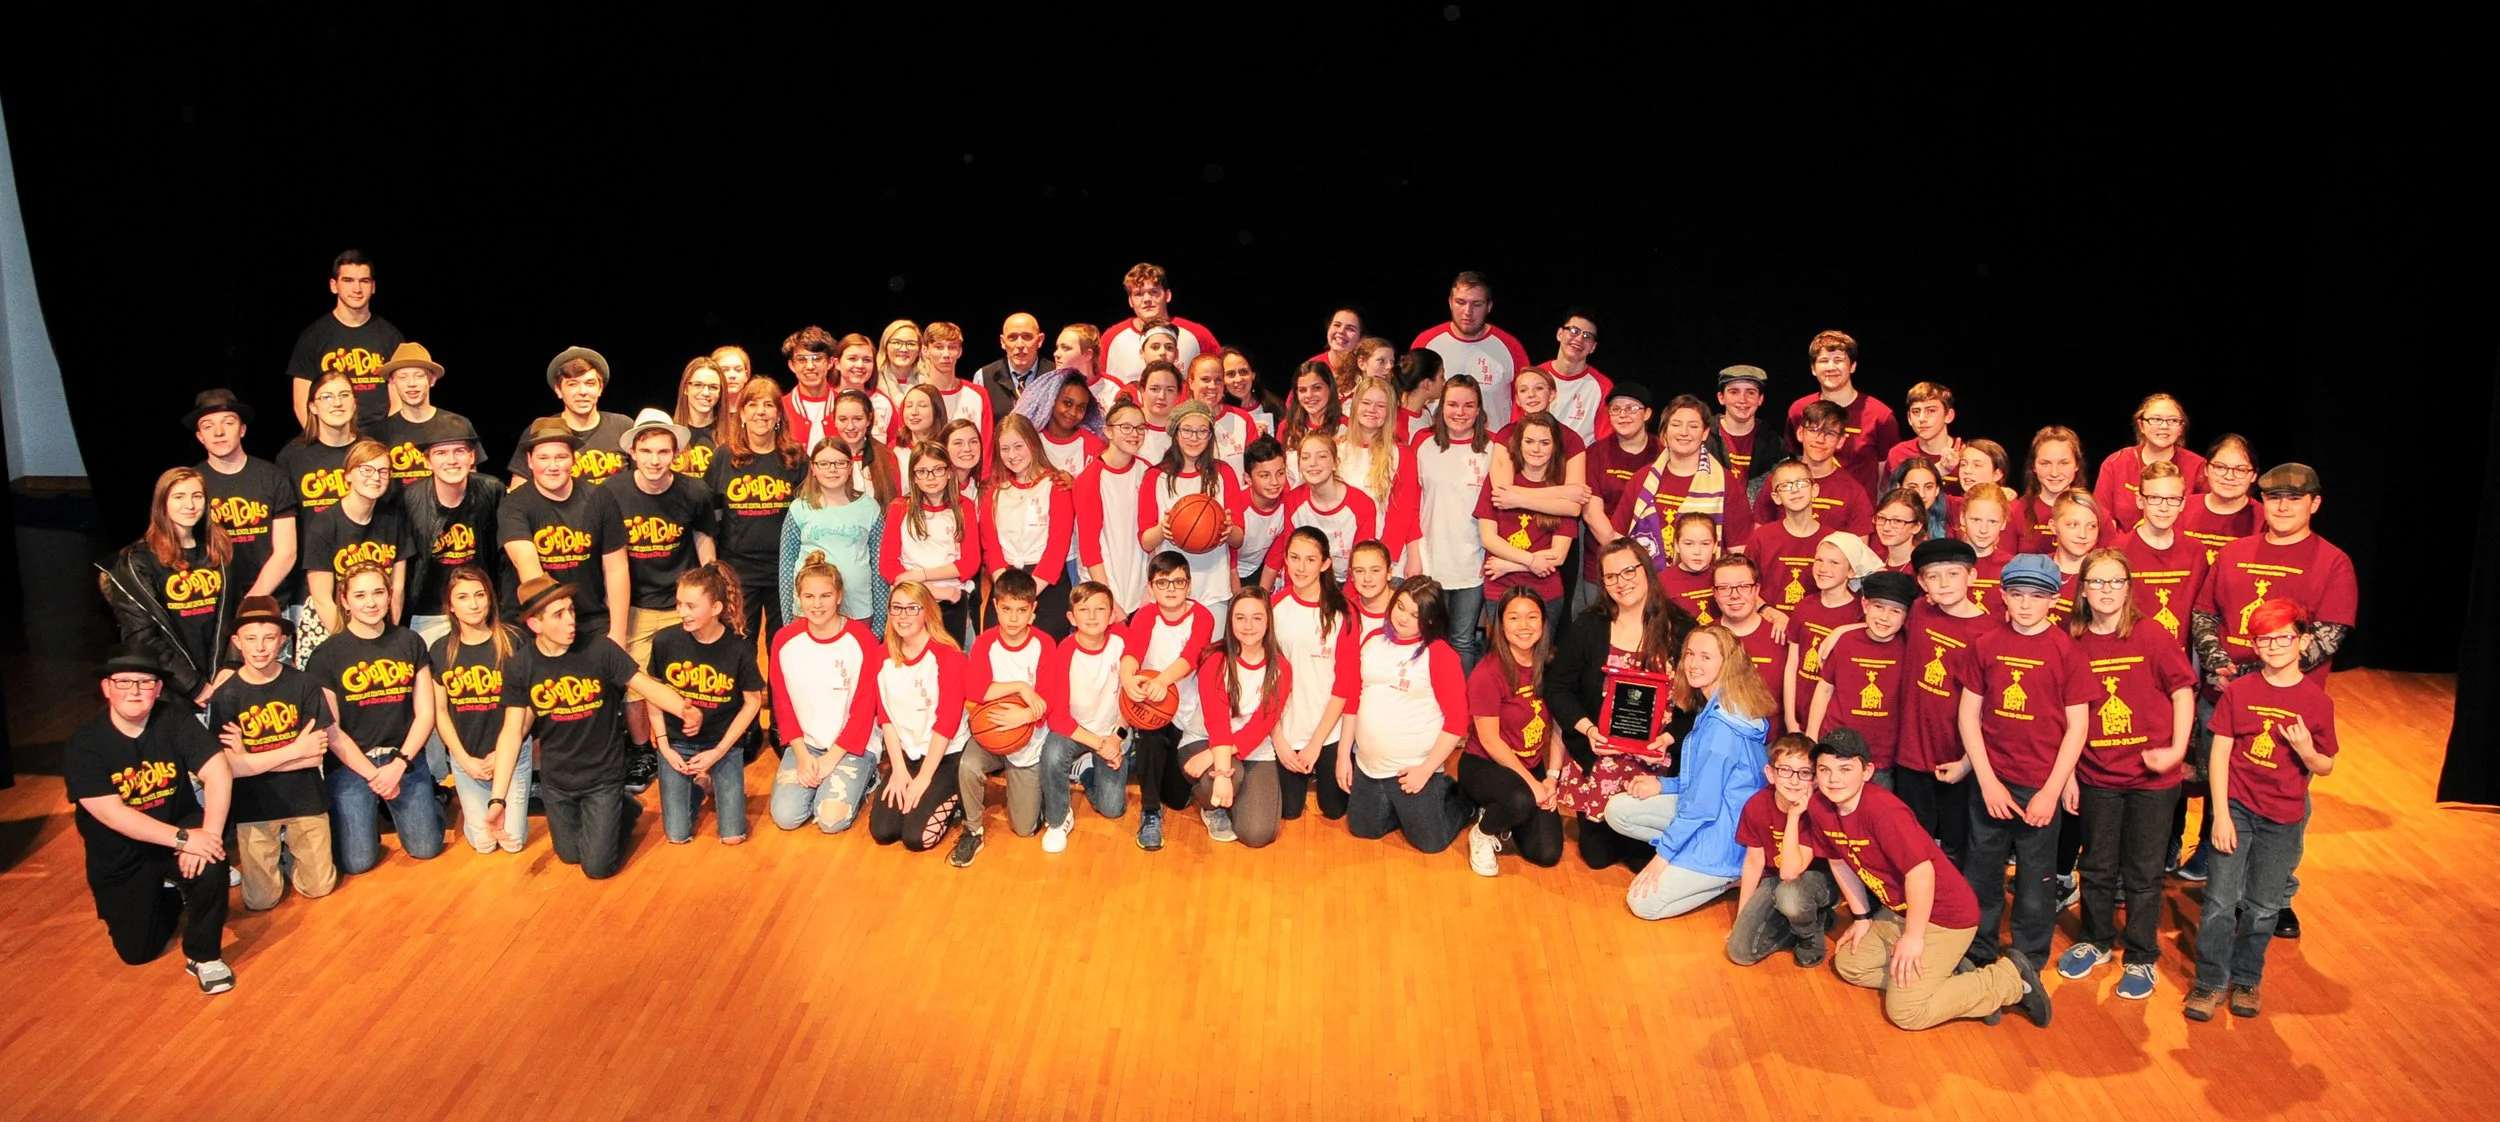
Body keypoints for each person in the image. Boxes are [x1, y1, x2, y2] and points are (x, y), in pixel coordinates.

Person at [2182, 463, 2354, 936]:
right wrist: (2217, 660)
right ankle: (2229, 891)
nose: (2282, 506)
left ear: (2314, 503)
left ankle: (2276, 896)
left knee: (2285, 804)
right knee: (2228, 796)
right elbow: (2204, 613)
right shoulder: (2235, 552)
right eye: (2274, 497)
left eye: (2294, 498)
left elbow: (2328, 635)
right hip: (2223, 695)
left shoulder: (2333, 562)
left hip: (2288, 709)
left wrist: (2253, 678)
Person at [1807, 734, 2052, 1029]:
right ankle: (1947, 983)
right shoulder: (1819, 806)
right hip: (1900, 911)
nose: (1833, 779)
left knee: (1906, 1012)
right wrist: (1861, 917)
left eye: (1845, 769)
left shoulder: (1885, 812)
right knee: (1849, 964)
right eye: (1824, 769)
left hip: (1946, 916)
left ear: (1867, 772)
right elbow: (1838, 859)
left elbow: (1921, 874)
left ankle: (2009, 979)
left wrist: (1913, 937)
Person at [2187, 598, 2339, 1022]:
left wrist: (2305, 750)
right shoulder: (2239, 691)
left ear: (2302, 641)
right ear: (2254, 645)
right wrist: (2220, 815)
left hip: (2283, 818)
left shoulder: (2316, 702)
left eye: (2283, 638)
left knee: (2264, 906)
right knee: (2219, 901)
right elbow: (2219, 754)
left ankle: (2247, 978)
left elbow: (2325, 766)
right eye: (2264, 640)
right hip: (2236, 808)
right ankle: (2210, 980)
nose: (2274, 647)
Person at [489, 577, 699, 879]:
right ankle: (617, 810)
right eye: (559, 614)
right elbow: (511, 732)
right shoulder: (521, 666)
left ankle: (622, 809)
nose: (570, 620)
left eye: (571, 610)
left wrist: (682, 708)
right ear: (535, 624)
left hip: (603, 777)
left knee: (597, 868)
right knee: (569, 855)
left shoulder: (600, 650)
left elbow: (646, 685)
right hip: (558, 782)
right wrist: (498, 799)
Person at [2056, 549, 2195, 999]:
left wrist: (2176, 750)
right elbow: (2064, 714)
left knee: (2143, 871)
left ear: (2129, 588)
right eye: (2097, 582)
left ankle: (2140, 955)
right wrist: (2069, 776)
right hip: (2097, 774)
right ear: (2082, 589)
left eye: (2116, 581)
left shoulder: (2151, 635)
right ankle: (2096, 940)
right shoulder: (2071, 640)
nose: (2106, 590)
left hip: (2152, 781)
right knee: (2096, 865)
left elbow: (2183, 693)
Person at [1954, 554, 2095, 972]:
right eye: (2017, 595)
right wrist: (1987, 782)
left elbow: (2077, 727)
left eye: (2037, 596)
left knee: (2036, 879)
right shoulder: (1986, 645)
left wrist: (2051, 791)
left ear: (2054, 600)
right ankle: (1978, 950)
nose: (2026, 604)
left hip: (2039, 785)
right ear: (2003, 596)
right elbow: (1968, 716)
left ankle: (2028, 959)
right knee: (1982, 872)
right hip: (1991, 781)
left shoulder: (2066, 652)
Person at [66, 649, 237, 993]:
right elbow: (113, 815)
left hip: (179, 832)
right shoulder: (85, 744)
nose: (134, 690)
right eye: (124, 682)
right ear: (106, 688)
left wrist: (208, 835)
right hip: (122, 852)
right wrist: (184, 839)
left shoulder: (173, 718)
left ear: (158, 689)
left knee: (211, 863)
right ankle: (169, 893)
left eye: (145, 682)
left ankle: (203, 956)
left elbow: (218, 771)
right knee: (138, 952)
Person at [1607, 625, 1774, 919]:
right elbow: (1703, 784)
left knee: (1642, 903)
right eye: (1690, 654)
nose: (1694, 664)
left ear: (1727, 663)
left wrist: (1662, 858)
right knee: (1618, 810)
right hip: (1715, 814)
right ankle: (1688, 858)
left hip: (1725, 835)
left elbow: (1701, 807)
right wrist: (1664, 785)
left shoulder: (1722, 728)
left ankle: (1729, 876)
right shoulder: (1720, 705)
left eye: (1706, 657)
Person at [1549, 538, 1695, 870]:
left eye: (1629, 571)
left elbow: (1700, 702)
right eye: (1611, 576)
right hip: (1601, 760)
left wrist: (1668, 738)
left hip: (1656, 763)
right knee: (1597, 858)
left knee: (1639, 858)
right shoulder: (1590, 625)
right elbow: (1558, 688)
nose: (1622, 582)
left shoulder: (1681, 628)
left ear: (1647, 570)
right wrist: (1589, 731)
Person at [306, 561, 441, 875]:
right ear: (344, 601)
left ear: (390, 594)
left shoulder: (410, 641)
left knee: (426, 849)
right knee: (356, 863)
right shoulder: (326, 655)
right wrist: (374, 776)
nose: (371, 603)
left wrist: (398, 765)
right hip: (352, 764)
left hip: (403, 759)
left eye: (378, 593)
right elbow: (332, 730)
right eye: (360, 595)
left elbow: (426, 713)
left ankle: (429, 800)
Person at [206, 596, 337, 910]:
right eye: (251, 639)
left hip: (305, 798)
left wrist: (249, 760)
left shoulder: (304, 684)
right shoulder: (226, 696)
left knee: (319, 887)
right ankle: (276, 856)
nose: (260, 647)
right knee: (260, 901)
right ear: (237, 642)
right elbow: (229, 768)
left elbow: (315, 756)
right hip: (254, 805)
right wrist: (295, 750)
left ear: (282, 640)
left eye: (269, 638)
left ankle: (289, 856)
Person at [1335, 577, 1474, 853]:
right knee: (1363, 829)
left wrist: (1425, 770)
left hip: (1413, 768)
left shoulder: (1440, 655)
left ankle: (1458, 798)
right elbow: (1353, 701)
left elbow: (1458, 723)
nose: (1403, 618)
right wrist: (1343, 756)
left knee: (1431, 843)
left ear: (1430, 619)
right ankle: (1407, 808)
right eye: (1400, 606)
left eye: (1415, 614)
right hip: (1368, 765)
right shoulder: (1373, 640)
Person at [609, 411, 720, 739]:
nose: (654, 460)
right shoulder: (612, 492)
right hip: (636, 605)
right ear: (632, 452)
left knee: (692, 676)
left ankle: (692, 740)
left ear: (676, 453)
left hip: (681, 603)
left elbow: (704, 539)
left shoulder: (695, 492)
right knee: (635, 685)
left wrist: (710, 594)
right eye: (646, 451)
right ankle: (642, 749)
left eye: (663, 451)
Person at [1893, 539, 2001, 864]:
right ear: (1922, 583)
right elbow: (1879, 620)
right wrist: (1840, 631)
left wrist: (1967, 762)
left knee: (1956, 846)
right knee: (1914, 843)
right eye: (1933, 576)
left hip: (1957, 758)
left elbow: (1989, 710)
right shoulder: (1919, 611)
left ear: (1972, 577)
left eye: (1953, 574)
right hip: (1911, 754)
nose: (1943, 583)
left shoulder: (1989, 633)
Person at [99, 467, 236, 709]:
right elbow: (142, 636)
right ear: (162, 503)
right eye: (179, 497)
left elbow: (235, 615)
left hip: (221, 682)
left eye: (197, 496)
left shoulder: (218, 550)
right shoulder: (136, 561)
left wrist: (230, 665)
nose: (190, 505)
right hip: (172, 692)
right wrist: (195, 686)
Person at [766, 554, 884, 833]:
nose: (817, 604)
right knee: (786, 817)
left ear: (839, 596)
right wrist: (802, 756)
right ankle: (820, 782)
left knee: (831, 821)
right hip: (806, 745)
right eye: (809, 596)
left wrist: (831, 760)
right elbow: (782, 704)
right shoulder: (784, 640)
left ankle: (866, 776)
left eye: (825, 596)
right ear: (799, 598)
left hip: (852, 745)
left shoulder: (863, 641)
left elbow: (865, 709)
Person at [647, 563, 763, 846]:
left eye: (690, 606)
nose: (681, 612)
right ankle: (701, 785)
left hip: (721, 744)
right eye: (679, 604)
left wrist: (719, 751)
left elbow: (753, 702)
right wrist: (663, 745)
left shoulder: (738, 648)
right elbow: (652, 693)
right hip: (677, 744)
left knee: (733, 836)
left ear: (715, 608)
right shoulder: (665, 641)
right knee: (677, 835)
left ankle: (709, 779)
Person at [1390, 375, 1495, 672]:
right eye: (1452, 404)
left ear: (1479, 410)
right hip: (1430, 559)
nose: (1459, 412)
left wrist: (1491, 555)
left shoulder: (1493, 447)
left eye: (1468, 405)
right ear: (1441, 407)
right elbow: (1411, 504)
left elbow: (1497, 509)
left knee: (1462, 641)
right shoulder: (1423, 443)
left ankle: (1459, 700)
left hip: (1471, 563)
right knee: (1428, 637)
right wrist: (1413, 553)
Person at [1458, 586, 1567, 874]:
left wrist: (1551, 778)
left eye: (1532, 617)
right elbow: (1490, 741)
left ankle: (1503, 810)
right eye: (1514, 618)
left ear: (1543, 622)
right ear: (1500, 624)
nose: (1524, 626)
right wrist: (1532, 785)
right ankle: (1482, 832)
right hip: (1485, 764)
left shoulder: (1552, 665)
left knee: (1547, 853)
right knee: (1521, 799)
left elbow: (1559, 724)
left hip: (1531, 763)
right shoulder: (1487, 673)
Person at [951, 569, 1056, 865]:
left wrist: (1024, 717)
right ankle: (973, 829)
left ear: (1033, 611)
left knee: (1024, 829)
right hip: (993, 730)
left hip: (1028, 735)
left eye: (1021, 610)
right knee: (968, 765)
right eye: (1007, 609)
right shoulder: (986, 642)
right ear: (995, 607)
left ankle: (1038, 793)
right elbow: (975, 690)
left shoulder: (1044, 644)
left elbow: (1048, 700)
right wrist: (1021, 687)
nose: (1013, 618)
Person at [428, 566, 533, 855]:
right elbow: (439, 711)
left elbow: (531, 706)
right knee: (484, 844)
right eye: (463, 597)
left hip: (511, 754)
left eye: (479, 595)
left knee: (512, 841)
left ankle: (501, 807)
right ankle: (474, 811)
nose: (473, 604)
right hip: (467, 757)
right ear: (451, 606)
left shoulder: (514, 641)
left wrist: (503, 752)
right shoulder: (440, 649)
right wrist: (462, 759)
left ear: (490, 598)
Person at [498, 419, 628, 647]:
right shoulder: (514, 504)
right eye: (543, 458)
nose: (553, 466)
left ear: (574, 459)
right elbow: (526, 563)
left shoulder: (600, 498)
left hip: (590, 622)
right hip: (534, 624)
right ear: (529, 461)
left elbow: (616, 568)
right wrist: (555, 625)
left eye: (561, 457)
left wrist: (617, 634)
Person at [1119, 552, 1218, 851]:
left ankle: (1149, 767)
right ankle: (1150, 812)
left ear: (1189, 585)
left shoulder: (1203, 616)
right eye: (1163, 582)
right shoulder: (1145, 615)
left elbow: (1190, 657)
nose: (1171, 588)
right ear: (1150, 588)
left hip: (1188, 713)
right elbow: (1132, 652)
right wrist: (1127, 678)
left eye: (1178, 581)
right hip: (1154, 709)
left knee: (1176, 798)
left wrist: (1163, 680)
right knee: (1149, 738)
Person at [1183, 587, 1293, 847]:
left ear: (1268, 621)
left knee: (1258, 834)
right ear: (1230, 621)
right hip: (1204, 739)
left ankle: (1233, 796)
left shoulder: (1281, 668)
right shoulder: (1215, 659)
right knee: (1227, 781)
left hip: (1252, 748)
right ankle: (1213, 807)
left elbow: (1261, 726)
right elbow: (1217, 722)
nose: (1248, 626)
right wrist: (1222, 772)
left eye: (1256, 618)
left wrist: (1212, 757)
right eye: (1240, 618)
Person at [868, 581, 973, 854]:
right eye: (896, 608)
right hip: (907, 755)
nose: (903, 616)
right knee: (883, 832)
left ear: (927, 611)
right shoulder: (881, 657)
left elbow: (947, 724)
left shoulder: (949, 657)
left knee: (916, 838)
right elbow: (886, 718)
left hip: (945, 754)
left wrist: (925, 777)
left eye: (912, 608)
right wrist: (899, 770)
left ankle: (955, 794)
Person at [709, 378, 810, 645]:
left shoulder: (796, 457)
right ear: (742, 413)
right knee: (738, 644)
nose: (761, 412)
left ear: (779, 415)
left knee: (783, 644)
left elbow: (810, 514)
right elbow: (711, 516)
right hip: (737, 570)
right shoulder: (723, 457)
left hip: (784, 568)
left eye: (768, 405)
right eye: (753, 405)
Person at [1035, 581, 1135, 852]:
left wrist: (1116, 738)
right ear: (1071, 617)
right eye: (1083, 609)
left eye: (1100, 609)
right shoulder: (1064, 652)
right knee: (1053, 754)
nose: (1092, 616)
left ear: (1112, 615)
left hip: (1113, 731)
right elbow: (1058, 718)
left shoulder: (1122, 643)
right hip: (1075, 730)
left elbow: (1131, 699)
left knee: (1112, 809)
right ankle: (1058, 819)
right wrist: (1100, 745)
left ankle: (1087, 772)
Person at [1726, 732, 1841, 966]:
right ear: (1771, 774)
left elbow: (1790, 871)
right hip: (1776, 879)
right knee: (1740, 952)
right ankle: (1803, 924)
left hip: (1816, 881)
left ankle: (1809, 934)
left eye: (1804, 773)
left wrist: (1794, 816)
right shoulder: (1757, 805)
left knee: (1790, 896)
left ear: (1814, 779)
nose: (1794, 781)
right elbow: (1754, 862)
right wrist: (1741, 917)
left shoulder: (1817, 810)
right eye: (1785, 770)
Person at [1268, 528, 1358, 824]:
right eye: (1294, 558)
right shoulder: (1274, 606)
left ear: (1325, 564)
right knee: (1289, 811)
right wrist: (1278, 739)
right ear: (1285, 559)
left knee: (1334, 810)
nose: (1301, 567)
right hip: (1286, 729)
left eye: (1310, 560)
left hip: (1327, 730)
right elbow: (1264, 678)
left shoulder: (1344, 611)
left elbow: (1344, 685)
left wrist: (1316, 743)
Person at [297, 440, 409, 664]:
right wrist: (350, 645)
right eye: (366, 470)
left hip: (378, 625)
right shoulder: (324, 524)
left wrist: (389, 638)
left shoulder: (393, 520)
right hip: (330, 627)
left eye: (383, 471)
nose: (375, 477)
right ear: (347, 474)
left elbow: (397, 589)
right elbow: (322, 599)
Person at [1616, 394, 1743, 591]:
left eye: (1693, 426)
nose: (1684, 433)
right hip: (1647, 590)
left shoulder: (1725, 482)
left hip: (1704, 592)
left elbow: (1738, 550)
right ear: (1664, 432)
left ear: (1705, 433)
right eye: (1676, 425)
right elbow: (1618, 539)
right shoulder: (1642, 479)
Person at [1804, 571, 1917, 783]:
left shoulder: (1909, 646)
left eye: (1895, 611)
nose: (1884, 617)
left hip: (1882, 756)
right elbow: (1824, 690)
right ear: (1865, 604)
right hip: (1834, 749)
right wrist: (1811, 737)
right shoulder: (1845, 641)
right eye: (1878, 607)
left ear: (1906, 616)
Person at [403, 418, 503, 651]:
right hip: (428, 614)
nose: (451, 460)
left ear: (472, 457)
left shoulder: (492, 491)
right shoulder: (409, 500)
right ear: (427, 461)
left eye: (459, 451)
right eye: (441, 453)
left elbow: (502, 560)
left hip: (480, 609)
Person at [190, 390, 299, 603]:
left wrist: (251, 602)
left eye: (228, 423)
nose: (219, 432)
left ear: (242, 429)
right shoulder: (192, 483)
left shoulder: (272, 476)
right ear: (200, 437)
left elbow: (286, 552)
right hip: (213, 604)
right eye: (208, 426)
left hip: (271, 601)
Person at [1138, 401, 1245, 611]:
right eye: (1187, 430)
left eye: (1202, 431)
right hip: (1169, 589)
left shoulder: (1224, 473)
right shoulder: (1155, 476)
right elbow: (1146, 542)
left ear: (1210, 436)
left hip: (1214, 588)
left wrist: (1228, 530)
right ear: (1176, 433)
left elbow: (1239, 539)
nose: (1194, 438)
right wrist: (1163, 530)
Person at [1477, 414, 1578, 627]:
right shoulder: (1499, 484)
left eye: (1545, 443)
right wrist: (1531, 562)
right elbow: (1488, 539)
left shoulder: (1563, 491)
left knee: (1540, 649)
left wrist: (1510, 565)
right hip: (1500, 588)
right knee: (1501, 647)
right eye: (1529, 441)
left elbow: (1558, 556)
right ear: (1518, 444)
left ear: (1555, 447)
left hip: (1545, 592)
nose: (1536, 449)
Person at [287, 249, 404, 429]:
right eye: (348, 281)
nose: (357, 289)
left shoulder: (391, 336)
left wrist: (386, 440)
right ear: (334, 285)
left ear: (373, 287)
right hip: (332, 437)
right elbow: (302, 403)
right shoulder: (313, 337)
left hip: (380, 439)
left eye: (364, 281)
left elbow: (399, 400)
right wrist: (323, 440)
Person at [982, 415, 1076, 636]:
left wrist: (1027, 596)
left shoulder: (1056, 485)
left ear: (1033, 443)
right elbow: (991, 547)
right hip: (1005, 585)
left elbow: (1057, 548)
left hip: (1045, 586)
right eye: (1005, 449)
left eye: (1018, 446)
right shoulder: (994, 490)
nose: (1012, 455)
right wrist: (1007, 595)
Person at [781, 438, 885, 633]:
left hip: (858, 609)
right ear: (813, 468)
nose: (832, 469)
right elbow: (786, 568)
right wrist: (788, 621)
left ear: (850, 467)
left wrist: (879, 625)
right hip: (809, 612)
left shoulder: (869, 508)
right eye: (824, 463)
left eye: (840, 463)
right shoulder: (799, 508)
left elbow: (879, 569)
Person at [884, 440, 982, 643]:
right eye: (922, 471)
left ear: (949, 472)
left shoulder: (964, 507)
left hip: (952, 600)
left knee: (950, 656)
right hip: (911, 600)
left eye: (937, 469)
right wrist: (935, 591)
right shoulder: (900, 507)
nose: (930, 477)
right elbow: (888, 566)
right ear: (914, 477)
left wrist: (922, 575)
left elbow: (970, 563)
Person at [1783, 330, 1899, 499]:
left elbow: (1887, 478)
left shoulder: (1880, 415)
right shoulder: (1799, 410)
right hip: (1809, 509)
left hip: (1860, 511)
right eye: (1824, 361)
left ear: (1853, 366)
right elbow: (1799, 462)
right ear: (1813, 368)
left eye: (1838, 360)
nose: (1831, 367)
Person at [1412, 270, 1530, 426]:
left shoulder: (1510, 347)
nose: (1468, 312)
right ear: (1450, 302)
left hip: (1494, 441)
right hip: (1434, 439)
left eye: (1477, 304)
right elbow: (1409, 400)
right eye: (1461, 302)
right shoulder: (1426, 343)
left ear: (1489, 306)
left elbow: (1527, 402)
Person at [1579, 382, 1657, 614]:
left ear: (1647, 414)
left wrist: (1641, 561)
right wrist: (1623, 557)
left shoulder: (1663, 452)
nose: (1623, 415)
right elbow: (1592, 514)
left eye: (1631, 408)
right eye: (1616, 409)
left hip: (1653, 561)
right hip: (1605, 559)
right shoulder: (1595, 454)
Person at [507, 347, 632, 488]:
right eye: (572, 384)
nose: (582, 391)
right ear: (558, 390)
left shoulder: (623, 426)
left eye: (590, 383)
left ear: (600, 388)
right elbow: (518, 491)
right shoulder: (541, 431)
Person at [2115, 460, 2208, 647]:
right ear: (2140, 500)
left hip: (2180, 658)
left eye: (2173, 499)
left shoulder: (2196, 551)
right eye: (2155, 498)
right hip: (2133, 655)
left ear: (2182, 503)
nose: (2164, 508)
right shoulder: (2117, 551)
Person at [1783, 535, 1870, 732]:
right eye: (1819, 560)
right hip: (1800, 713)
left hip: (1833, 720)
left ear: (1851, 571)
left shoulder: (1859, 613)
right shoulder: (1804, 606)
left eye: (1834, 563)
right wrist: (1790, 718)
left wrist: (1843, 630)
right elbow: (1792, 664)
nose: (1823, 568)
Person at [1076, 400, 1154, 614]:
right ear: (1108, 431)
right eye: (1126, 427)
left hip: (1141, 591)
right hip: (1104, 587)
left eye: (1140, 428)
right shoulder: (1090, 478)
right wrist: (1106, 597)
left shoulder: (1147, 472)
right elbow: (1089, 546)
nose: (1135, 434)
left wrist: (1150, 587)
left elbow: (1151, 534)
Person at [1752, 400, 1874, 536]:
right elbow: (1759, 538)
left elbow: (1860, 547)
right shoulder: (1777, 481)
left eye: (1830, 434)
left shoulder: (1853, 492)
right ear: (1800, 433)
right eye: (1814, 430)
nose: (1820, 440)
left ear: (1840, 441)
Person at [364, 342, 474, 490]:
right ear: (392, 382)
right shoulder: (378, 433)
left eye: (419, 376)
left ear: (432, 380)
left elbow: (472, 480)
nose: (411, 384)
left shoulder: (457, 425)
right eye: (403, 377)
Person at [1270, 430, 1376, 583]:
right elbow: (1290, 560)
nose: (1312, 463)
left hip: (1347, 583)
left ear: (1335, 463)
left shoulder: (1362, 505)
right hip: (1306, 580)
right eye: (1305, 457)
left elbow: (1362, 564)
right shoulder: (1292, 501)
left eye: (1322, 456)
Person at [2097, 393, 2207, 532]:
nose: (2164, 426)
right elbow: (2101, 516)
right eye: (2156, 419)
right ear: (2141, 425)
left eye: (2173, 420)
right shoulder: (2116, 463)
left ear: (2181, 428)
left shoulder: (2198, 466)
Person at [1101, 263, 1221, 385]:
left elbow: (1223, 376)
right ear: (1130, 301)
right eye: (1138, 294)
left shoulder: (1197, 335)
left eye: (1154, 292)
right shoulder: (1110, 339)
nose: (1147, 299)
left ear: (1167, 295)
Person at [1744, 461, 1832, 613]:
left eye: (1801, 483)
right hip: (1769, 620)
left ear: (1814, 490)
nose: (1795, 490)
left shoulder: (1832, 540)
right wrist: (1767, 610)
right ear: (1776, 497)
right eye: (1785, 486)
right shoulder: (1761, 538)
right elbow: (1744, 584)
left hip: (1815, 622)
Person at [2013, 426, 2115, 554]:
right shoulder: (2015, 512)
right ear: (2034, 466)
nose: (2054, 473)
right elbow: (2002, 561)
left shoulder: (2098, 514)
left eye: (2064, 463)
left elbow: (2111, 560)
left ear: (2077, 465)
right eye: (2045, 464)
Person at [280, 368, 363, 524]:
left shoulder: (370, 451)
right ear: (313, 407)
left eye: (344, 395)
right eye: (327, 397)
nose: (337, 403)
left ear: (354, 403)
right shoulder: (291, 457)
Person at [2179, 434, 2259, 568]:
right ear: (2206, 469)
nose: (2229, 476)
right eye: (2220, 467)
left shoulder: (2264, 519)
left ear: (2254, 475)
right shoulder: (2181, 508)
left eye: (2240, 470)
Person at [1531, 310, 1611, 442]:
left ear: (1593, 347)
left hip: (1583, 455)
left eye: (1587, 336)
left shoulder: (1603, 387)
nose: (1579, 339)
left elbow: (1605, 442)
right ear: (1560, 334)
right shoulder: (1533, 377)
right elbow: (1517, 429)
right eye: (1574, 331)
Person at [919, 323, 991, 462]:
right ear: (925, 350)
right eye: (939, 347)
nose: (946, 354)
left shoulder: (978, 395)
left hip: (970, 474)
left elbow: (986, 446)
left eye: (952, 347)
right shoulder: (915, 397)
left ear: (960, 351)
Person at [1337, 375, 1403, 523]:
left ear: (1390, 412)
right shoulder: (1336, 449)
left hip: (1379, 537)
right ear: (1355, 406)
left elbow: (1403, 514)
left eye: (1380, 406)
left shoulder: (1401, 454)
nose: (1372, 410)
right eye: (1366, 403)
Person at [1231, 436, 1291, 587]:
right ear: (1248, 479)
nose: (1274, 482)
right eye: (1264, 475)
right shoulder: (1235, 504)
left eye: (1280, 473)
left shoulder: (1288, 503)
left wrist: (1263, 595)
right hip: (1227, 571)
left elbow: (1273, 561)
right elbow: (1229, 564)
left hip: (1258, 570)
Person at [1186, 353, 1260, 476]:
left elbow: (1256, 468)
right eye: (1205, 379)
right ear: (1191, 382)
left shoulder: (1242, 419)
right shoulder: (1179, 421)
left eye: (1218, 380)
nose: (1212, 386)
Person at [1884, 383, 1962, 492]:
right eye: (1916, 412)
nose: (1922, 418)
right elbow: (1890, 497)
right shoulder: (1898, 455)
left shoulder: (1966, 455)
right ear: (1909, 418)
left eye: (1930, 411)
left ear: (1949, 415)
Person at [1709, 365, 1771, 500]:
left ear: (1760, 399)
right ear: (1721, 397)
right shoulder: (1703, 438)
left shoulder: (1774, 444)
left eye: (1750, 393)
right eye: (1734, 392)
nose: (1742, 400)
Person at [1957, 483, 2018, 613]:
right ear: (1962, 518)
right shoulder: (1946, 562)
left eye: (1992, 522)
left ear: (2003, 523)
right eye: (1976, 520)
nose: (1983, 530)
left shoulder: (2013, 567)